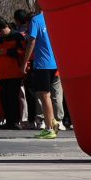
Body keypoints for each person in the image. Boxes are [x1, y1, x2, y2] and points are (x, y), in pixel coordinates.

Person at [22, 11, 61, 139]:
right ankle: (52, 121)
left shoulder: (36, 20)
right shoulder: (53, 16)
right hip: (54, 62)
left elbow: (31, 42)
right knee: (47, 95)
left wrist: (25, 62)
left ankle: (49, 128)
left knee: (44, 96)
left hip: (42, 63)